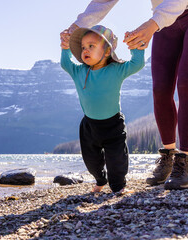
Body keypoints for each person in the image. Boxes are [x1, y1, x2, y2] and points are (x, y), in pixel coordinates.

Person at [61, 0, 188, 190]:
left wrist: (152, 24)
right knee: (160, 89)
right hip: (164, 19)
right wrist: (76, 27)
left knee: (187, 82)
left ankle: (185, 162)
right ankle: (168, 157)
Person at [60, 25, 145, 193]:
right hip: (89, 126)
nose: (85, 50)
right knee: (91, 161)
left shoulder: (116, 69)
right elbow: (65, 63)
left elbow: (137, 64)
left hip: (113, 125)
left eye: (91, 46)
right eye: (83, 47)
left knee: (117, 159)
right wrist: (65, 48)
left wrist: (136, 48)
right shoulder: (79, 71)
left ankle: (119, 187)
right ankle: (100, 180)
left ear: (106, 52)